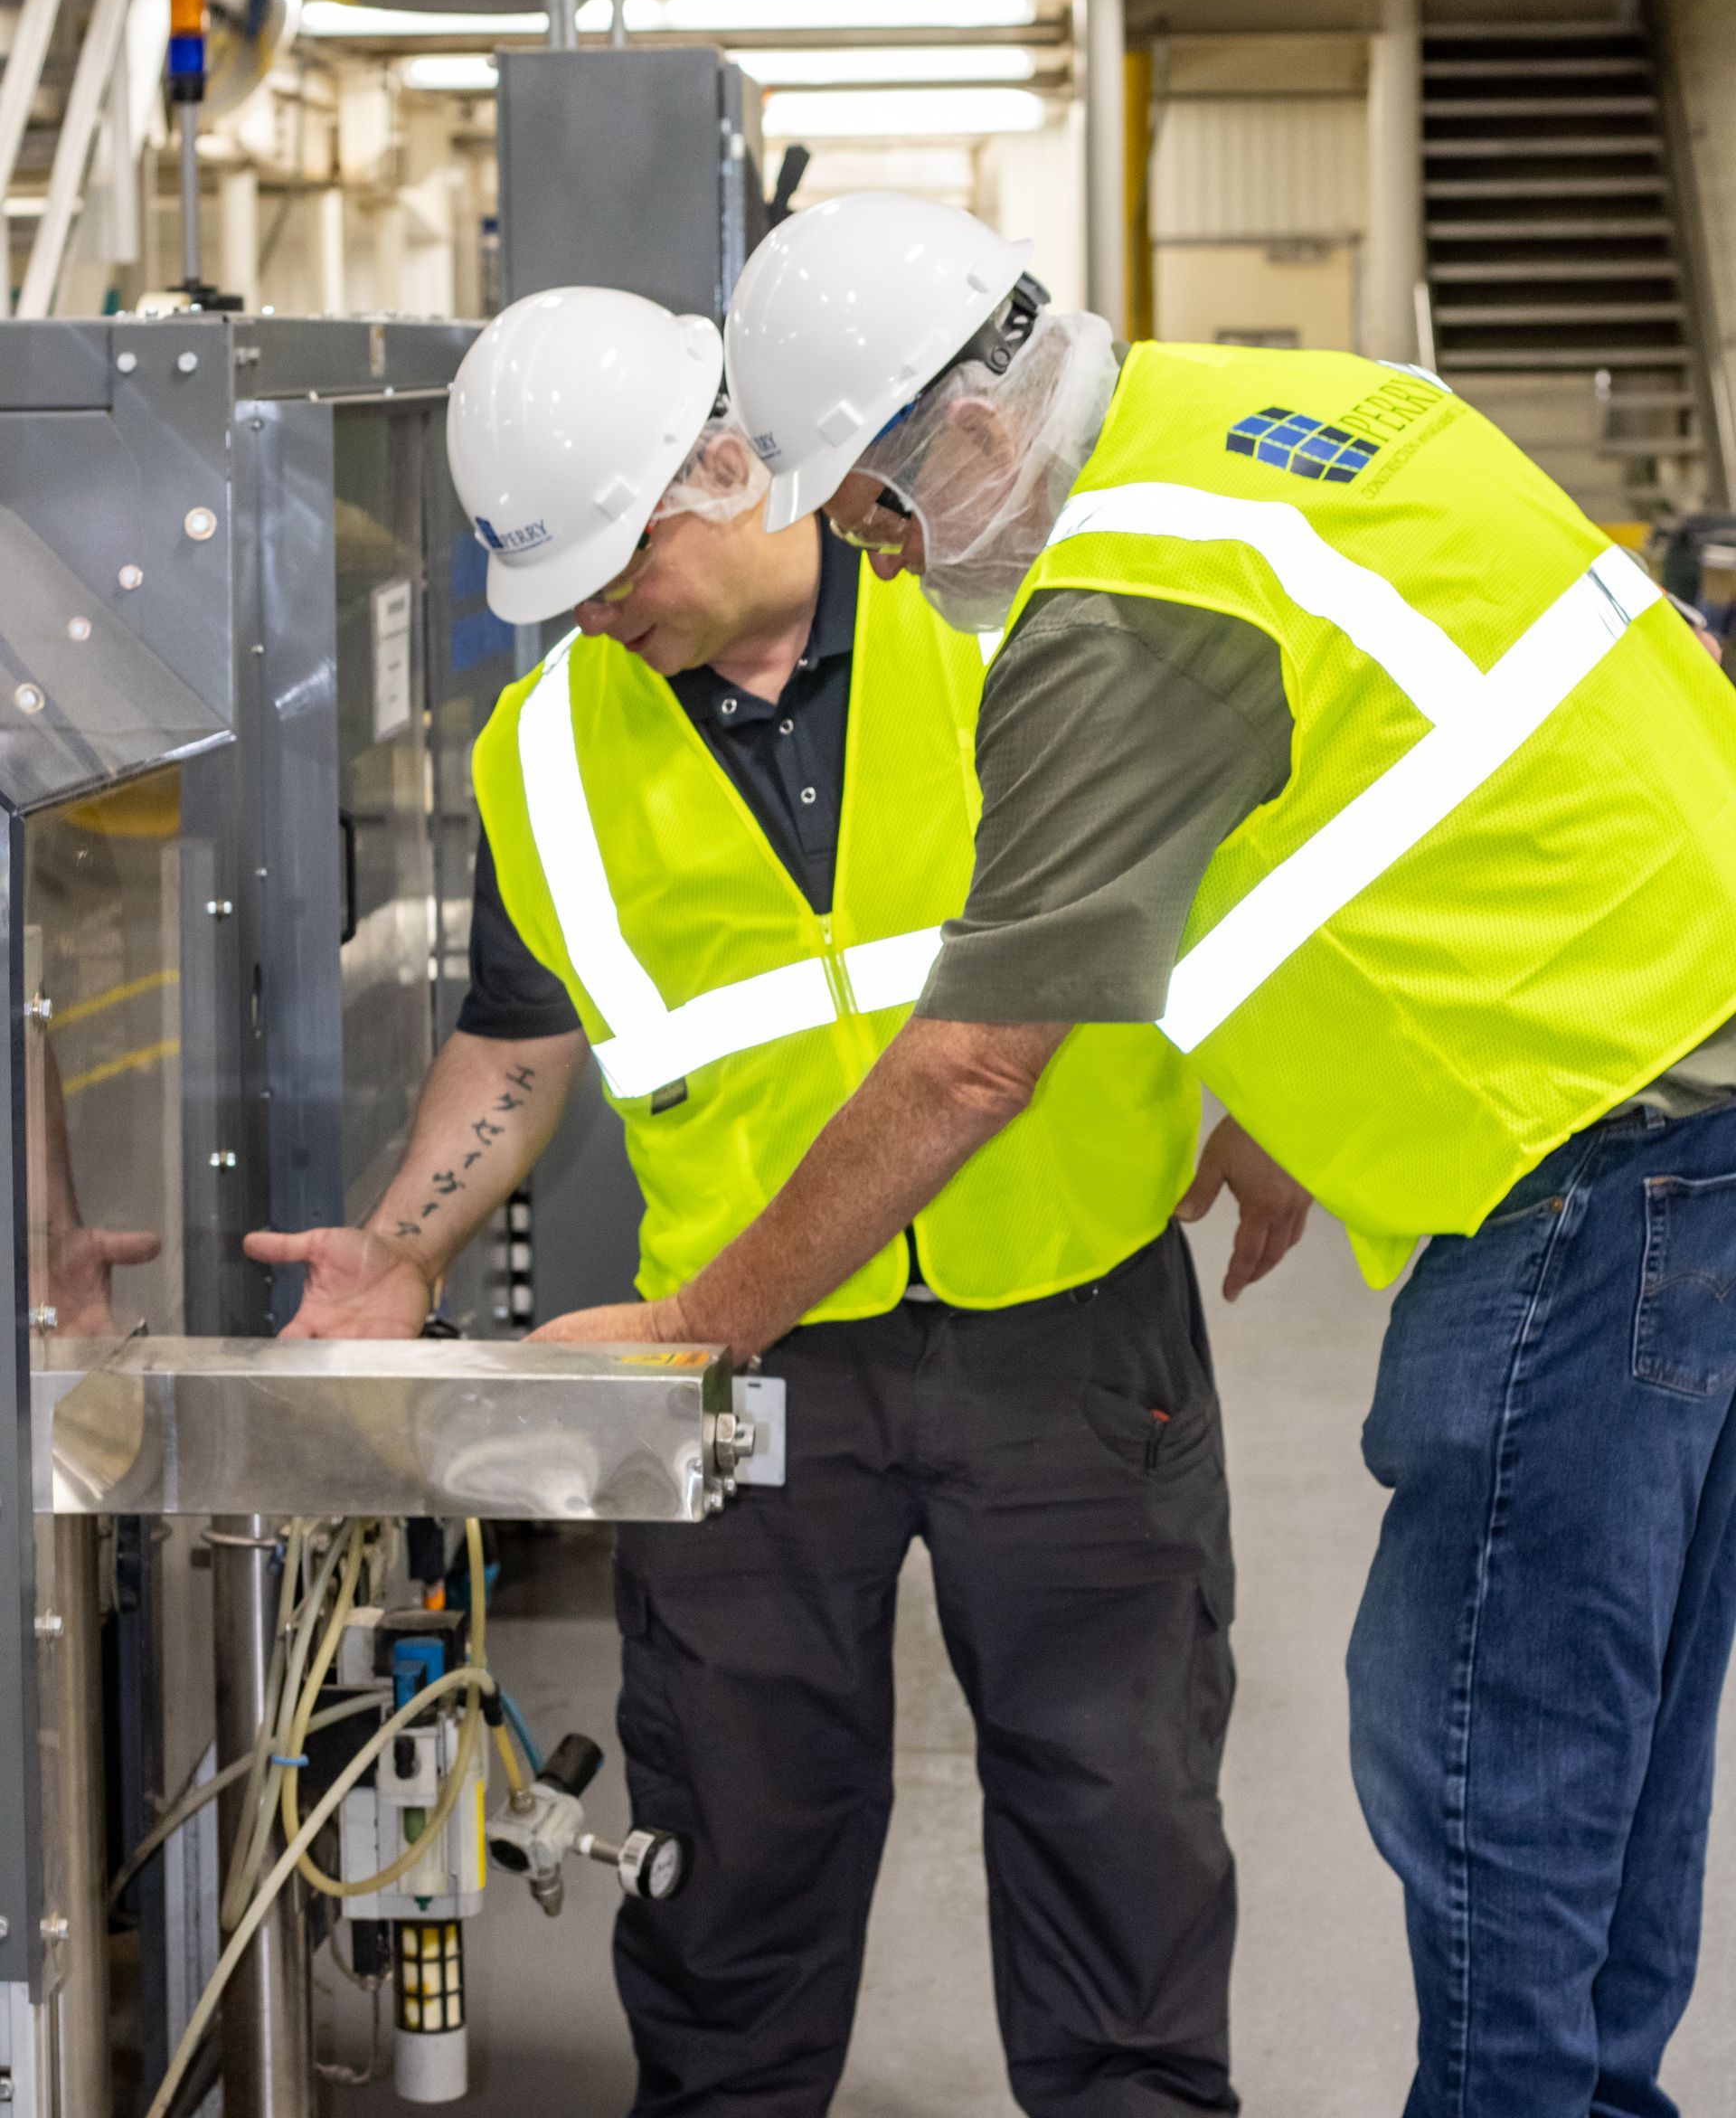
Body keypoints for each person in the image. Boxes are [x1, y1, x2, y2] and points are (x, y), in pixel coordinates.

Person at [552, 194, 1736, 2118]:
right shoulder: (1310, 414)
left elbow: (966, 1068)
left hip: (1585, 1183)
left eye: (873, 510)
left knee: (1490, 1775)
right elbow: (1509, 724)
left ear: (972, 430)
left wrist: (700, 1319)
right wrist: (1288, 1085)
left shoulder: (1120, 599)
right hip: (1696, 1121)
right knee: (1624, 1768)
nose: (880, 554)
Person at [246, 280, 1303, 2118]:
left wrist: (1279, 1091)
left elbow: (1231, 863)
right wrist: (402, 1244)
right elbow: (517, 1038)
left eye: (612, 562)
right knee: (738, 1846)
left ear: (727, 469)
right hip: (736, 1370)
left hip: (1069, 1321)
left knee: (1118, 1817)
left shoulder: (999, 612)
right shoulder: (551, 747)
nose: (593, 615)